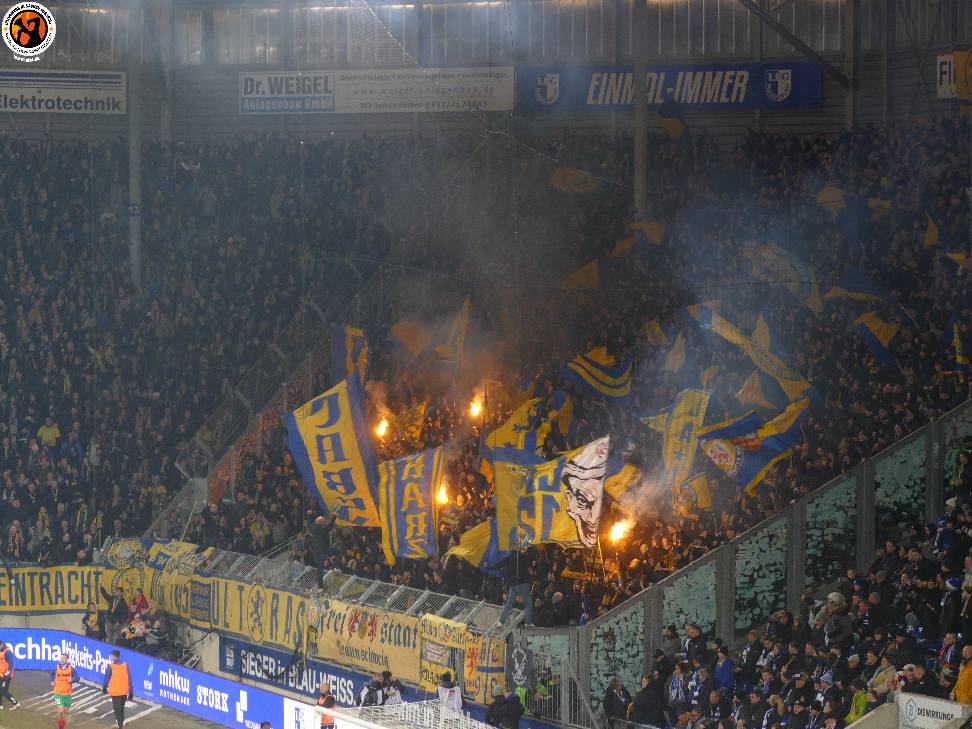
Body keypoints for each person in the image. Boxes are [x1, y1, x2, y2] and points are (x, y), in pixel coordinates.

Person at [101, 649, 133, 729]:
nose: (110, 657)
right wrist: (131, 692)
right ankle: (120, 723)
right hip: (124, 691)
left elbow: (106, 677)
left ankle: (120, 724)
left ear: (114, 656)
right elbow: (129, 679)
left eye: (111, 655)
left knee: (117, 709)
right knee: (121, 708)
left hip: (115, 691)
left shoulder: (110, 666)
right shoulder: (125, 665)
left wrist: (104, 687)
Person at [50, 653, 79, 729]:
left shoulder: (71, 669)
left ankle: (61, 727)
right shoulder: (56, 668)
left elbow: (78, 677)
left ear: (67, 660)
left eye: (64, 658)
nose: (62, 660)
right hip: (58, 693)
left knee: (66, 711)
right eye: (61, 658)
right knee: (60, 710)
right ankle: (60, 726)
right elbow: (52, 674)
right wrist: (52, 681)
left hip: (67, 694)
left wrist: (72, 680)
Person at [0, 639, 19, 710]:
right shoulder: (1, 650)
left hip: (7, 675)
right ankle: (0, 705)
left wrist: (6, 674)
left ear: (1, 645)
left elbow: (11, 665)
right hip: (1, 673)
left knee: (4, 691)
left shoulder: (7, 653)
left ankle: (16, 703)